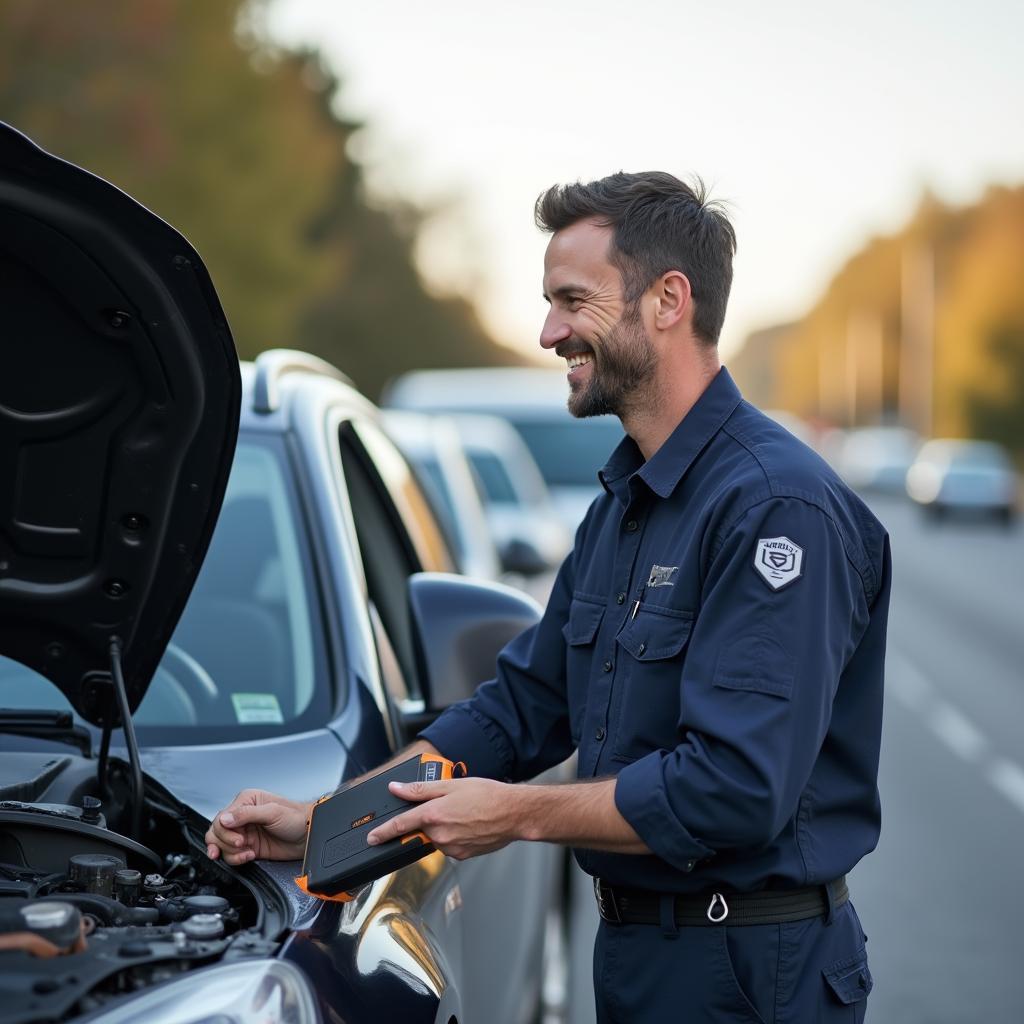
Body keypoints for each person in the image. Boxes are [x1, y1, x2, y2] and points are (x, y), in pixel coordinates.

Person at [206, 172, 889, 1022]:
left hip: (748, 969)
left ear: (668, 300)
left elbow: (736, 788)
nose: (548, 331)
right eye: (548, 303)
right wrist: (330, 824)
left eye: (572, 300)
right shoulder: (624, 507)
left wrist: (518, 815)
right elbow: (517, 711)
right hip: (642, 957)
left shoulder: (775, 508)